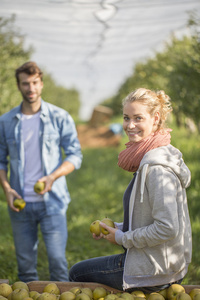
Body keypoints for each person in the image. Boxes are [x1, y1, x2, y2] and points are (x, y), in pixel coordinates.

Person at [69, 88, 192, 293]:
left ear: (155, 119)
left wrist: (122, 238)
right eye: (126, 118)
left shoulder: (157, 169)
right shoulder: (150, 158)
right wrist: (117, 228)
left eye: (138, 118)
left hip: (156, 268)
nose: (130, 125)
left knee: (77, 273)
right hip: (158, 260)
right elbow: (151, 220)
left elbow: (167, 228)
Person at [0, 61, 83, 282]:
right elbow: (0, 161)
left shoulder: (60, 117)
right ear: (18, 86)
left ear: (42, 84)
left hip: (52, 202)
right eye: (25, 83)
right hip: (20, 203)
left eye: (35, 82)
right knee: (25, 269)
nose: (31, 88)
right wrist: (7, 188)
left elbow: (75, 155)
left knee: (58, 264)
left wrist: (53, 176)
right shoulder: (6, 122)